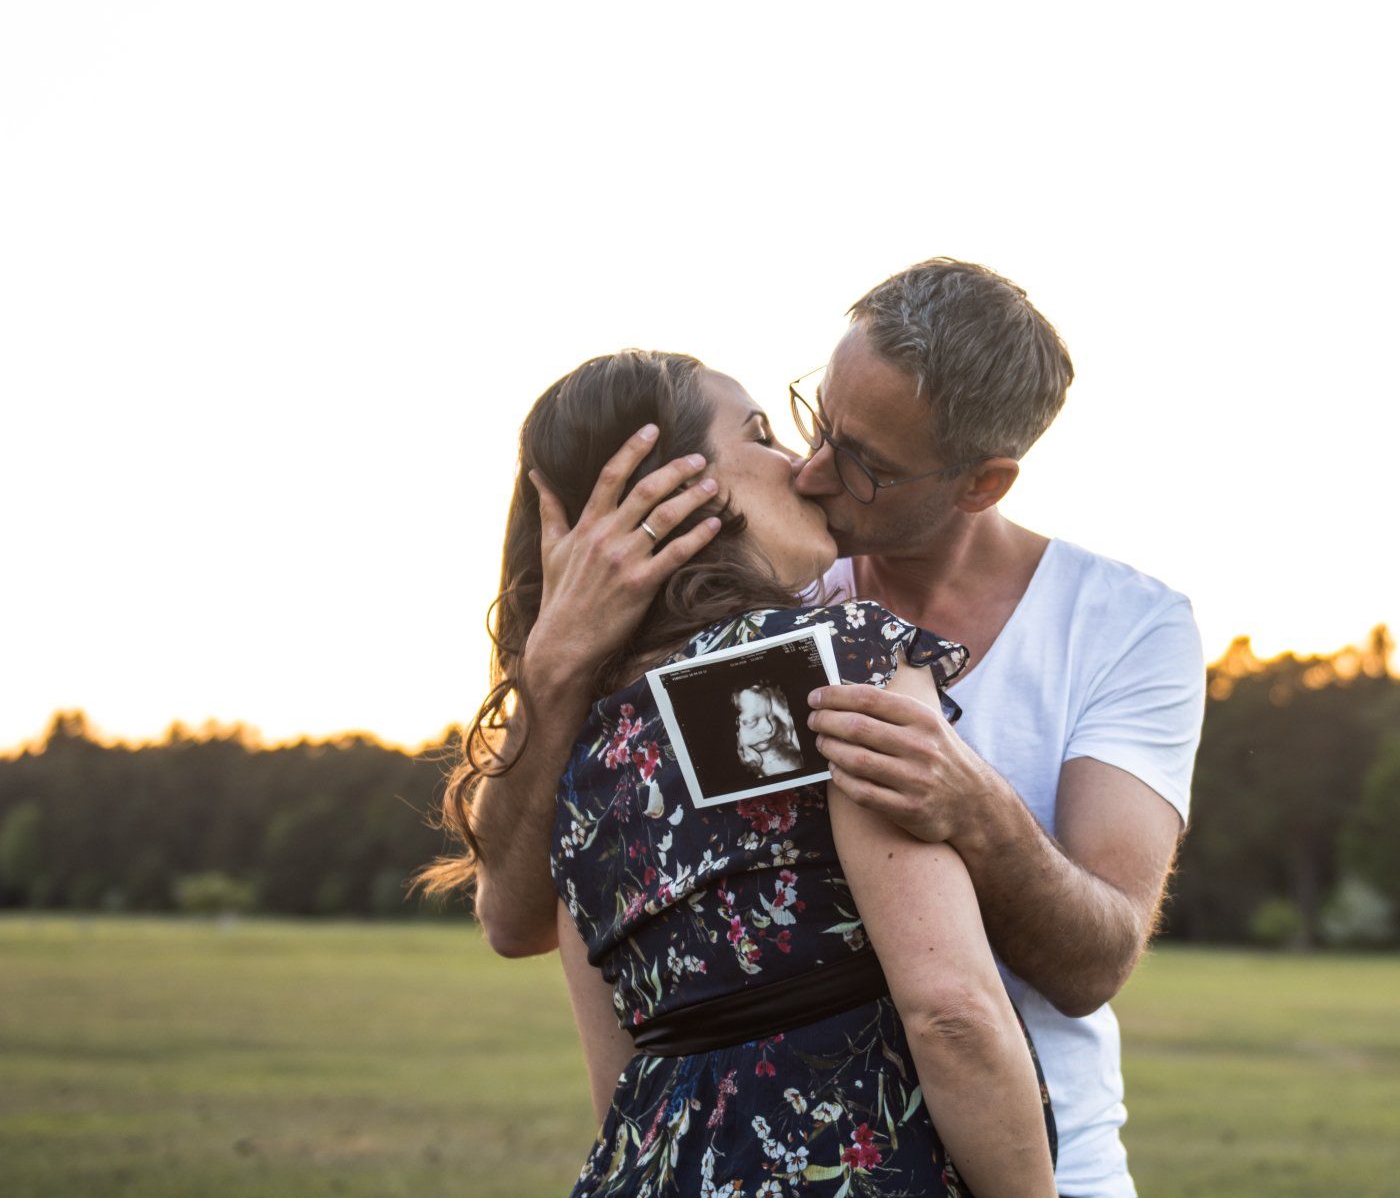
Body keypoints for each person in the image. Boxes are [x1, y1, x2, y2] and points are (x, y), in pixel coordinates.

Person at [463, 259, 1206, 1198]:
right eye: (806, 421)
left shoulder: (1124, 625)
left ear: (982, 484)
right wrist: (553, 669)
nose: (811, 470)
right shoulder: (797, 636)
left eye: (864, 464)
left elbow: (1093, 961)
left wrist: (980, 811)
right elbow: (539, 929)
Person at [417, 350, 1057, 1197]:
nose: (800, 463)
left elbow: (621, 1080)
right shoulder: (836, 658)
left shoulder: (578, 758)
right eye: (759, 434)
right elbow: (953, 1013)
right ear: (680, 491)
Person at [732, 683, 804, 777]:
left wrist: (786, 717)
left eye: (772, 717)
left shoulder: (787, 745)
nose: (769, 728)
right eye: (752, 721)